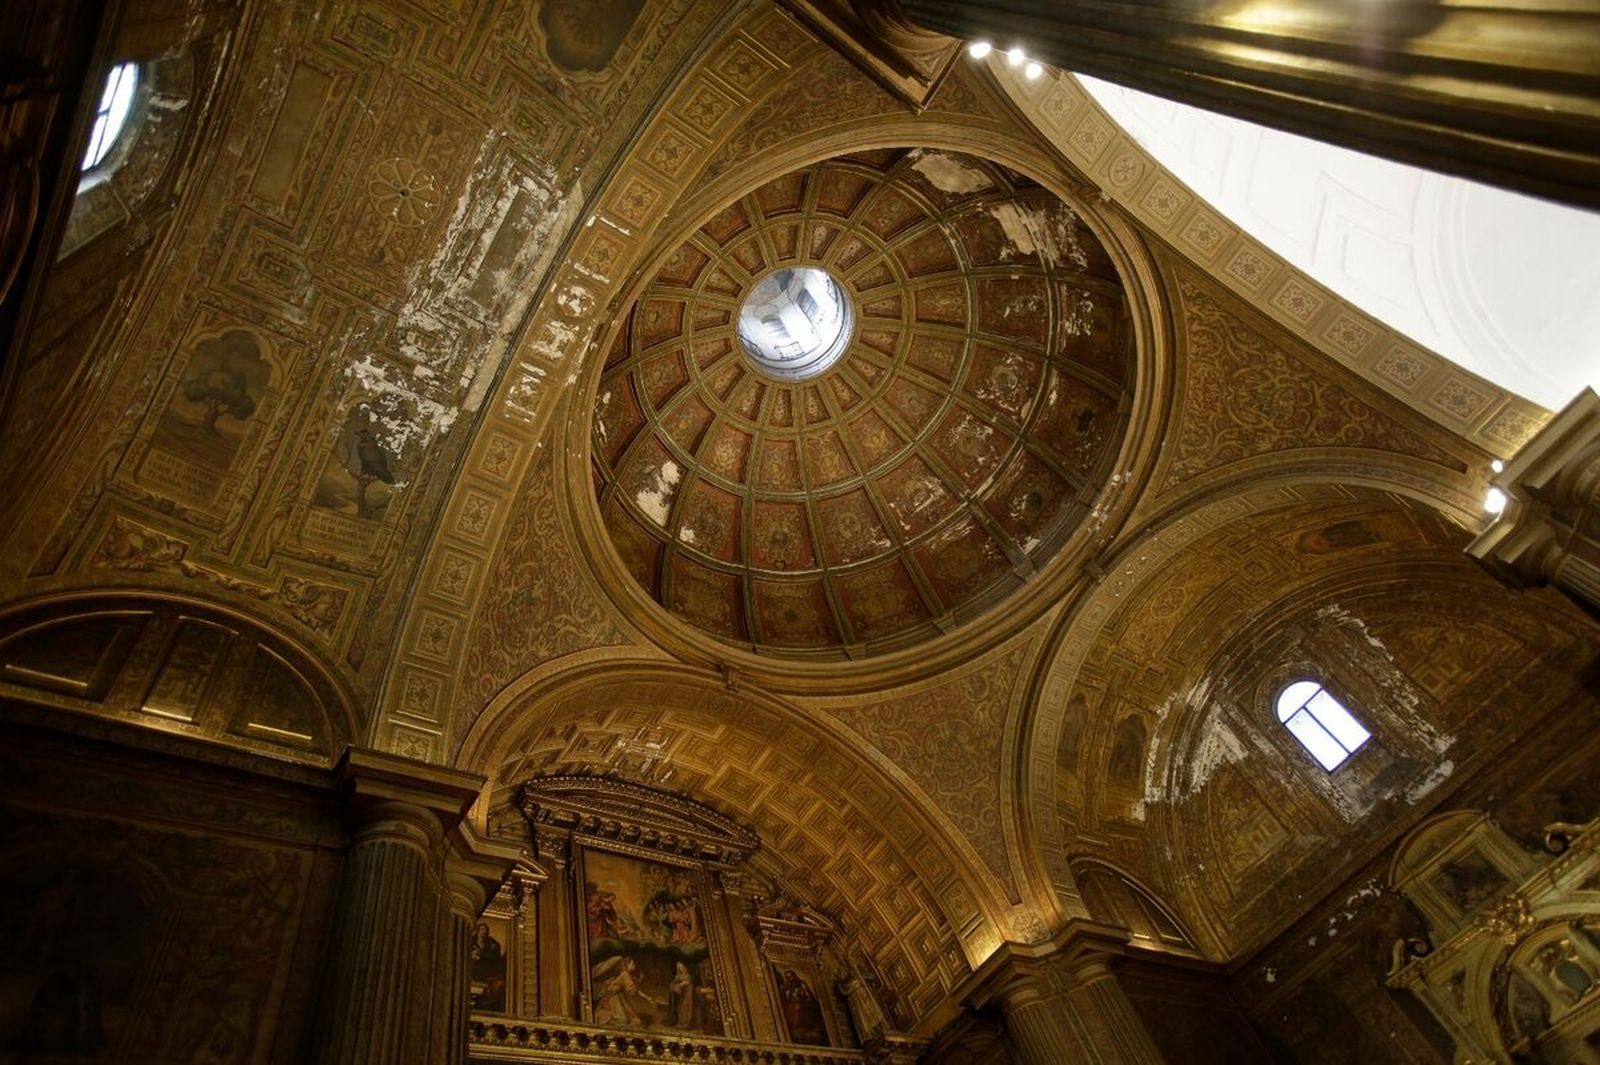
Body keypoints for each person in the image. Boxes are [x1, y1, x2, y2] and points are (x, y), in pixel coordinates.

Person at [470, 922, 505, 1012]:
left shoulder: (492, 944)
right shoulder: (471, 941)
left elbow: (494, 960)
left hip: (486, 970)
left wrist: (480, 956)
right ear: (477, 931)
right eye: (481, 929)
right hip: (473, 968)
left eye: (485, 930)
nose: (483, 932)